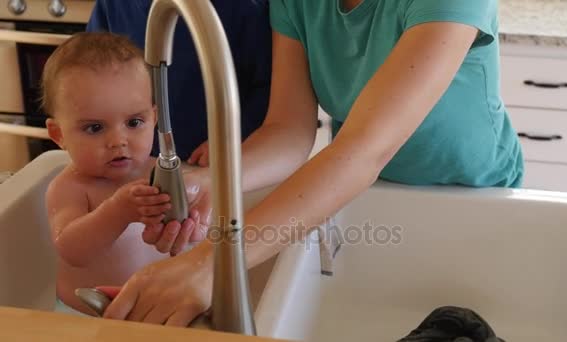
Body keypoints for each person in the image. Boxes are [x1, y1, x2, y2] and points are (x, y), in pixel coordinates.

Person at [101, 0, 524, 326]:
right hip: (365, 193)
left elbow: (364, 149)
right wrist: (212, 181)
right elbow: (288, 130)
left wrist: (212, 264)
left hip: (476, 198)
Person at [42, 32, 206, 315]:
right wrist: (117, 211)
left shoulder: (163, 172)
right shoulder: (71, 187)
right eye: (94, 128)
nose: (118, 140)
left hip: (156, 307)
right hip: (85, 316)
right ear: (59, 135)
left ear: (154, 118)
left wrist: (197, 225)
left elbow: (199, 226)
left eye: (134, 122)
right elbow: (71, 249)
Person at [86, 0, 272, 166]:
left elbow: (269, 88)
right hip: (135, 161)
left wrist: (233, 137)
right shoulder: (112, 6)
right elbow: (91, 75)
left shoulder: (247, 9)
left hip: (215, 163)